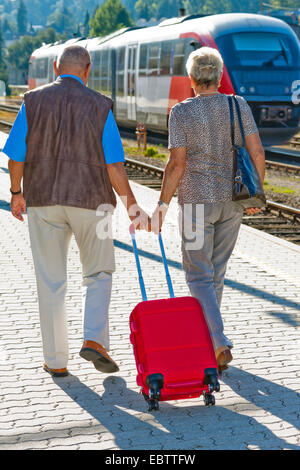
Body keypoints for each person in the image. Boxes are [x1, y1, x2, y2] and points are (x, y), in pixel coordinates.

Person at [3, 45, 150, 377]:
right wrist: (132, 206)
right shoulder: (100, 106)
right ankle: (94, 340)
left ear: (57, 67)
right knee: (98, 272)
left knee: (50, 280)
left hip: (43, 202)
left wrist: (16, 193)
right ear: (87, 70)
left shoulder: (33, 101)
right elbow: (114, 165)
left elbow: (15, 157)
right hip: (93, 204)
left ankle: (56, 361)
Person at [151, 47, 265, 372]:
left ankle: (217, 342)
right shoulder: (238, 104)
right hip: (232, 201)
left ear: (191, 79)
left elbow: (176, 164)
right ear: (218, 76)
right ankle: (209, 342)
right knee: (216, 273)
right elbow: (257, 152)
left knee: (198, 275)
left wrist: (161, 205)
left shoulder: (182, 112)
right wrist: (256, 197)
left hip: (197, 202)